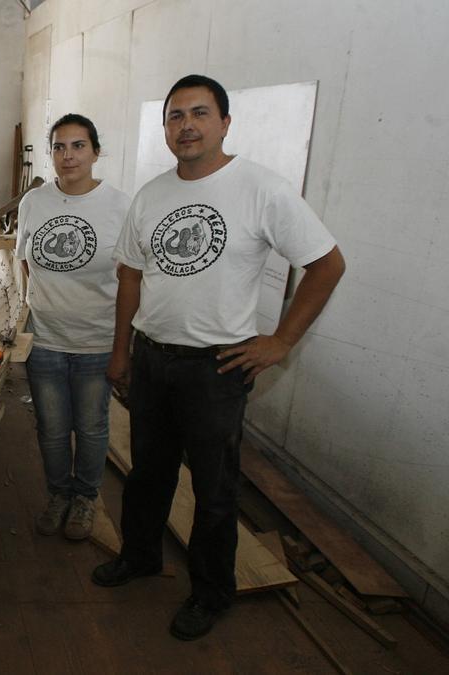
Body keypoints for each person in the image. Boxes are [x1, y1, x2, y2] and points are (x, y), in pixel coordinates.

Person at [92, 75, 346, 641]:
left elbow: (327, 265)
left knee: (213, 489)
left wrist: (281, 341)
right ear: (165, 128)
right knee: (148, 474)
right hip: (153, 358)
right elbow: (130, 274)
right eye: (175, 115)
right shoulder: (152, 195)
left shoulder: (261, 189)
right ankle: (140, 557)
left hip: (216, 367)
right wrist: (122, 351)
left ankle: (211, 592)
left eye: (200, 113)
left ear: (225, 123)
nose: (186, 125)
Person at [16, 114, 131, 541]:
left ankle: (85, 498)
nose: (69, 156)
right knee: (50, 428)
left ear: (96, 152)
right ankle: (58, 494)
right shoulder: (35, 202)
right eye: (60, 147)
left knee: (92, 426)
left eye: (79, 146)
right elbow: (25, 261)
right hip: (43, 339)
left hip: (96, 341)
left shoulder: (120, 206)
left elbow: (130, 278)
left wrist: (123, 345)